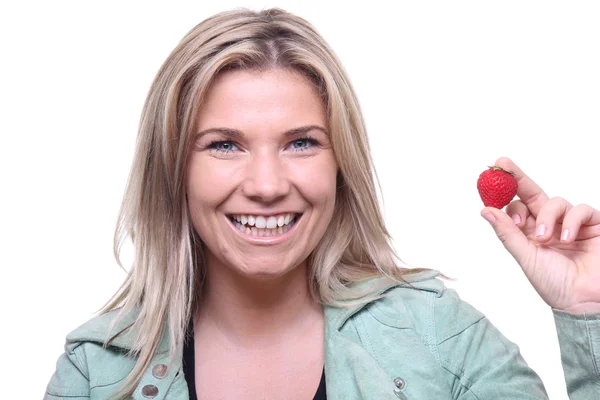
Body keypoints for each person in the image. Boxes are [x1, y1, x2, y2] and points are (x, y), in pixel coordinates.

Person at [44, 8, 600, 400]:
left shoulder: (439, 337)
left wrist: (587, 313)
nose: (266, 184)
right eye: (224, 145)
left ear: (341, 165)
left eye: (301, 142)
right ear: (174, 171)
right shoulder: (96, 372)